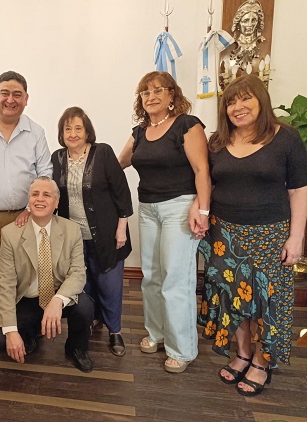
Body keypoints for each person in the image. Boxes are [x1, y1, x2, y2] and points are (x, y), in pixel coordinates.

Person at [197, 74, 307, 396]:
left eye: (246, 98)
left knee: (265, 303)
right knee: (234, 299)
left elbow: (299, 190)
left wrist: (296, 238)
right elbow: (208, 181)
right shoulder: (218, 141)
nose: (238, 107)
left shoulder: (286, 138)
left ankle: (261, 361)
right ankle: (243, 353)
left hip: (269, 235)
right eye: (231, 102)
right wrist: (197, 207)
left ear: (261, 100)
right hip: (223, 234)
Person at [119, 71, 210, 373]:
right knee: (151, 277)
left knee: (176, 280)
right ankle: (157, 333)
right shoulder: (140, 132)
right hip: (147, 208)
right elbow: (118, 163)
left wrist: (203, 209)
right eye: (146, 92)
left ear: (172, 95)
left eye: (158, 90)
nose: (151, 96)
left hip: (180, 208)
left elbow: (202, 170)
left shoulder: (187, 125)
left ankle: (182, 349)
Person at [0, 177, 94, 372]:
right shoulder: (10, 234)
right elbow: (5, 284)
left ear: (56, 202)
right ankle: (31, 333)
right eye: (35, 194)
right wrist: (11, 332)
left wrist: (58, 300)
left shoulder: (71, 230)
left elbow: (78, 273)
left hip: (57, 295)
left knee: (85, 306)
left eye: (47, 195)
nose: (40, 199)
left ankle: (76, 348)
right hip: (27, 299)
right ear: (28, 201)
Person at [0, 71, 53, 318]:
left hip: (26, 215)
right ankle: (2, 319)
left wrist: (31, 210)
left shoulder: (35, 132)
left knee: (30, 269)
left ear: (26, 99)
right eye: (4, 93)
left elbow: (45, 173)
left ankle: (29, 320)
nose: (10, 99)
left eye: (17, 94)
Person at [52, 107, 133, 357]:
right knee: (83, 284)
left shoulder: (103, 152)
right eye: (68, 129)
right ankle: (91, 320)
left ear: (87, 131)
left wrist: (122, 229)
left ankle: (115, 330)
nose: (73, 133)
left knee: (109, 284)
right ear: (61, 133)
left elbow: (122, 192)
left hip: (107, 234)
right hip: (73, 238)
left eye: (78, 128)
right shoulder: (57, 158)